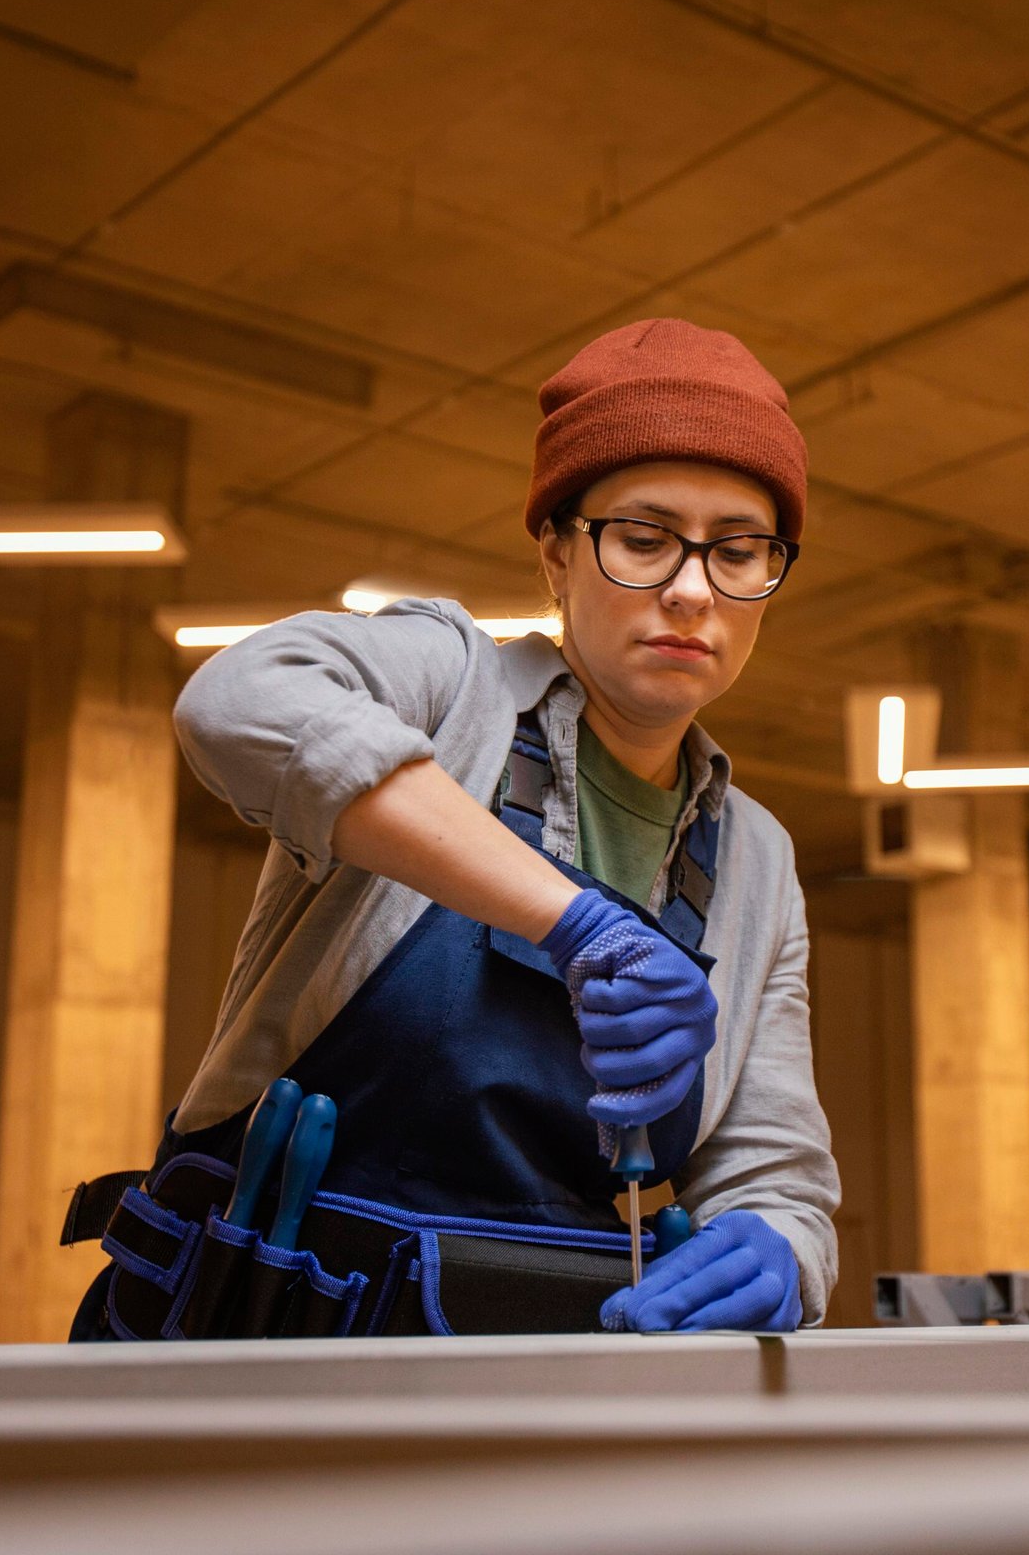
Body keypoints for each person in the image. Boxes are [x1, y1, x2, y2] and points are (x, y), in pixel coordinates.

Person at [70, 317, 839, 1339]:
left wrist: (781, 1246)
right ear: (557, 557)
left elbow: (772, 1167)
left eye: (740, 552)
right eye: (644, 540)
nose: (693, 589)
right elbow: (238, 700)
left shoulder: (756, 858)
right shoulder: (448, 689)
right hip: (262, 1361)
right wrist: (575, 924)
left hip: (547, 1380)